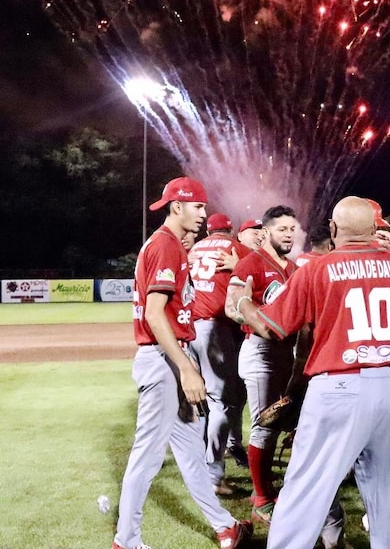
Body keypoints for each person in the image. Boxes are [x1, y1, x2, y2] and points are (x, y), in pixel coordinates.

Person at [227, 196, 390, 549]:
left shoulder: (316, 268)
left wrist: (242, 301)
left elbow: (271, 326)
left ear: (333, 228)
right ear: (375, 231)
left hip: (338, 386)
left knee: (305, 490)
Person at [112, 177, 252, 549]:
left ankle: (225, 527)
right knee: (147, 455)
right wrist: (187, 369)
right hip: (164, 361)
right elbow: (156, 316)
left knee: (191, 451)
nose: (204, 214)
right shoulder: (164, 245)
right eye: (198, 207)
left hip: (172, 356)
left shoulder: (172, 245)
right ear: (178, 207)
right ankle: (126, 540)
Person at [225, 205, 299, 524]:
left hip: (288, 353)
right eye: (283, 229)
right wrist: (257, 322)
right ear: (267, 232)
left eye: (293, 229)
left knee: (285, 422)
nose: (289, 234)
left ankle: (274, 489)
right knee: (263, 426)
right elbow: (231, 307)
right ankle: (262, 498)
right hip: (260, 351)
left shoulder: (295, 269)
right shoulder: (251, 263)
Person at [188, 212, 253, 495]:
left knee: (203, 402)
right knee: (221, 404)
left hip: (190, 328)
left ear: (208, 232)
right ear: (230, 230)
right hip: (216, 330)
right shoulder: (235, 248)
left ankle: (209, 460)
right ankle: (213, 476)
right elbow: (260, 270)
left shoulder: (193, 250)